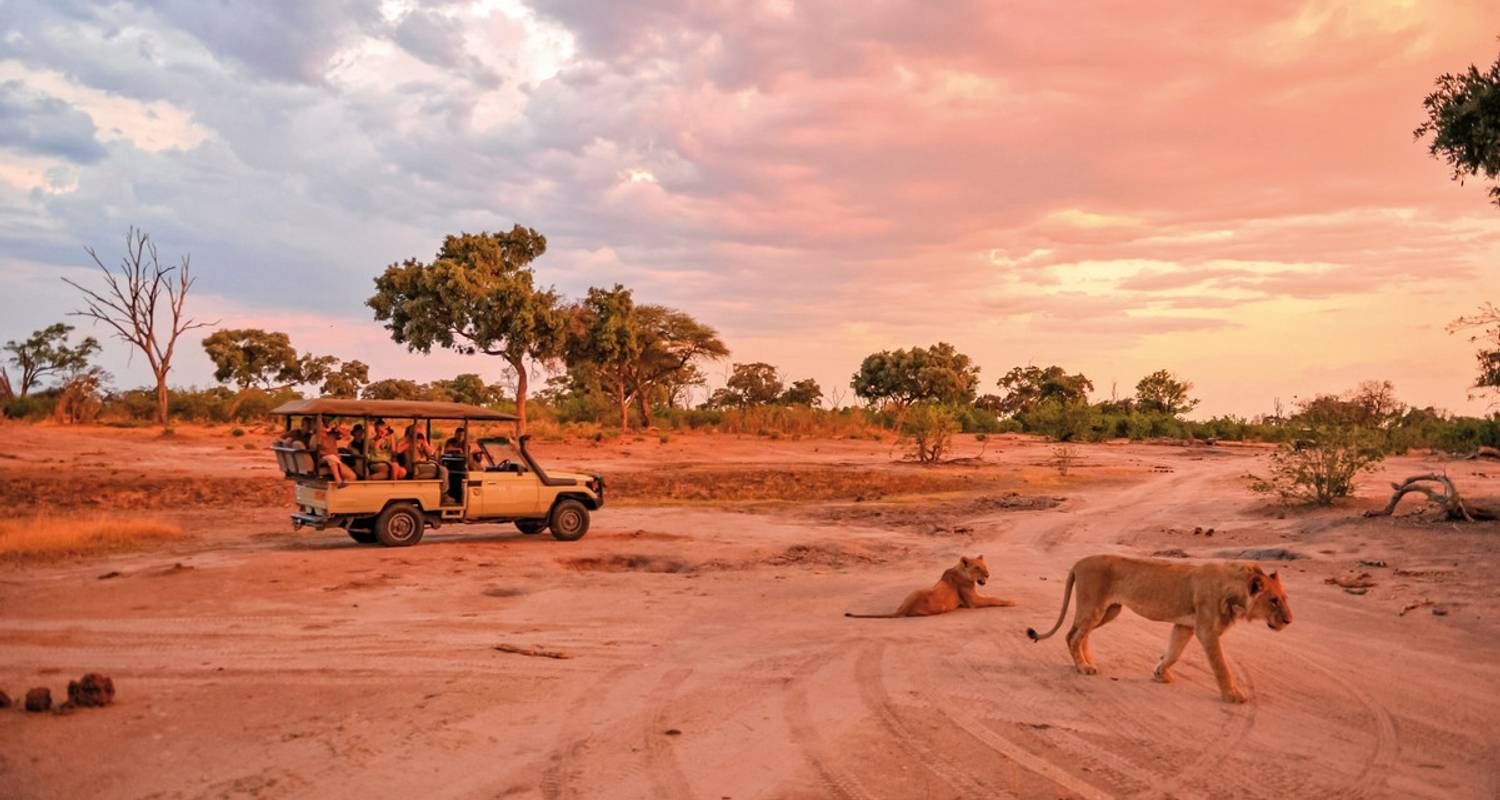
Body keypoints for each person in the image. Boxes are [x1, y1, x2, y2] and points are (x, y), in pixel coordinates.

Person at [315, 420, 357, 487]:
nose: (324, 427)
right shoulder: (316, 437)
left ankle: (342, 490)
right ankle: (338, 481)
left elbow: (347, 435)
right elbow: (315, 451)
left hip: (335, 460)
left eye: (325, 425)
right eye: (322, 425)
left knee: (352, 476)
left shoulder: (331, 434)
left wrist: (337, 427)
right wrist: (328, 454)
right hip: (323, 459)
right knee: (331, 457)